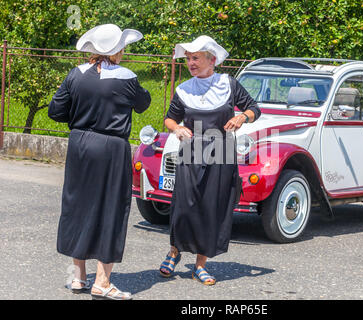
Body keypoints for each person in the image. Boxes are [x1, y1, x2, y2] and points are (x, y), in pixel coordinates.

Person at [48, 24, 151, 300]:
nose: (124, 51)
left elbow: (55, 111)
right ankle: (102, 281)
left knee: (77, 204)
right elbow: (143, 104)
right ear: (115, 50)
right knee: (111, 208)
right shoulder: (126, 77)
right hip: (111, 147)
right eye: (122, 47)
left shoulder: (75, 74)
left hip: (80, 144)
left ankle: (79, 277)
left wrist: (81, 115)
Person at [159, 35, 261, 285]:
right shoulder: (184, 89)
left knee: (211, 207)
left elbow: (254, 109)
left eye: (195, 58)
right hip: (192, 150)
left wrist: (241, 118)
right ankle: (174, 252)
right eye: (188, 59)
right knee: (184, 204)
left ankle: (200, 266)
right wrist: (176, 129)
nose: (191, 63)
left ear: (211, 60)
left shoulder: (228, 84)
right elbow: (169, 118)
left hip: (222, 149)